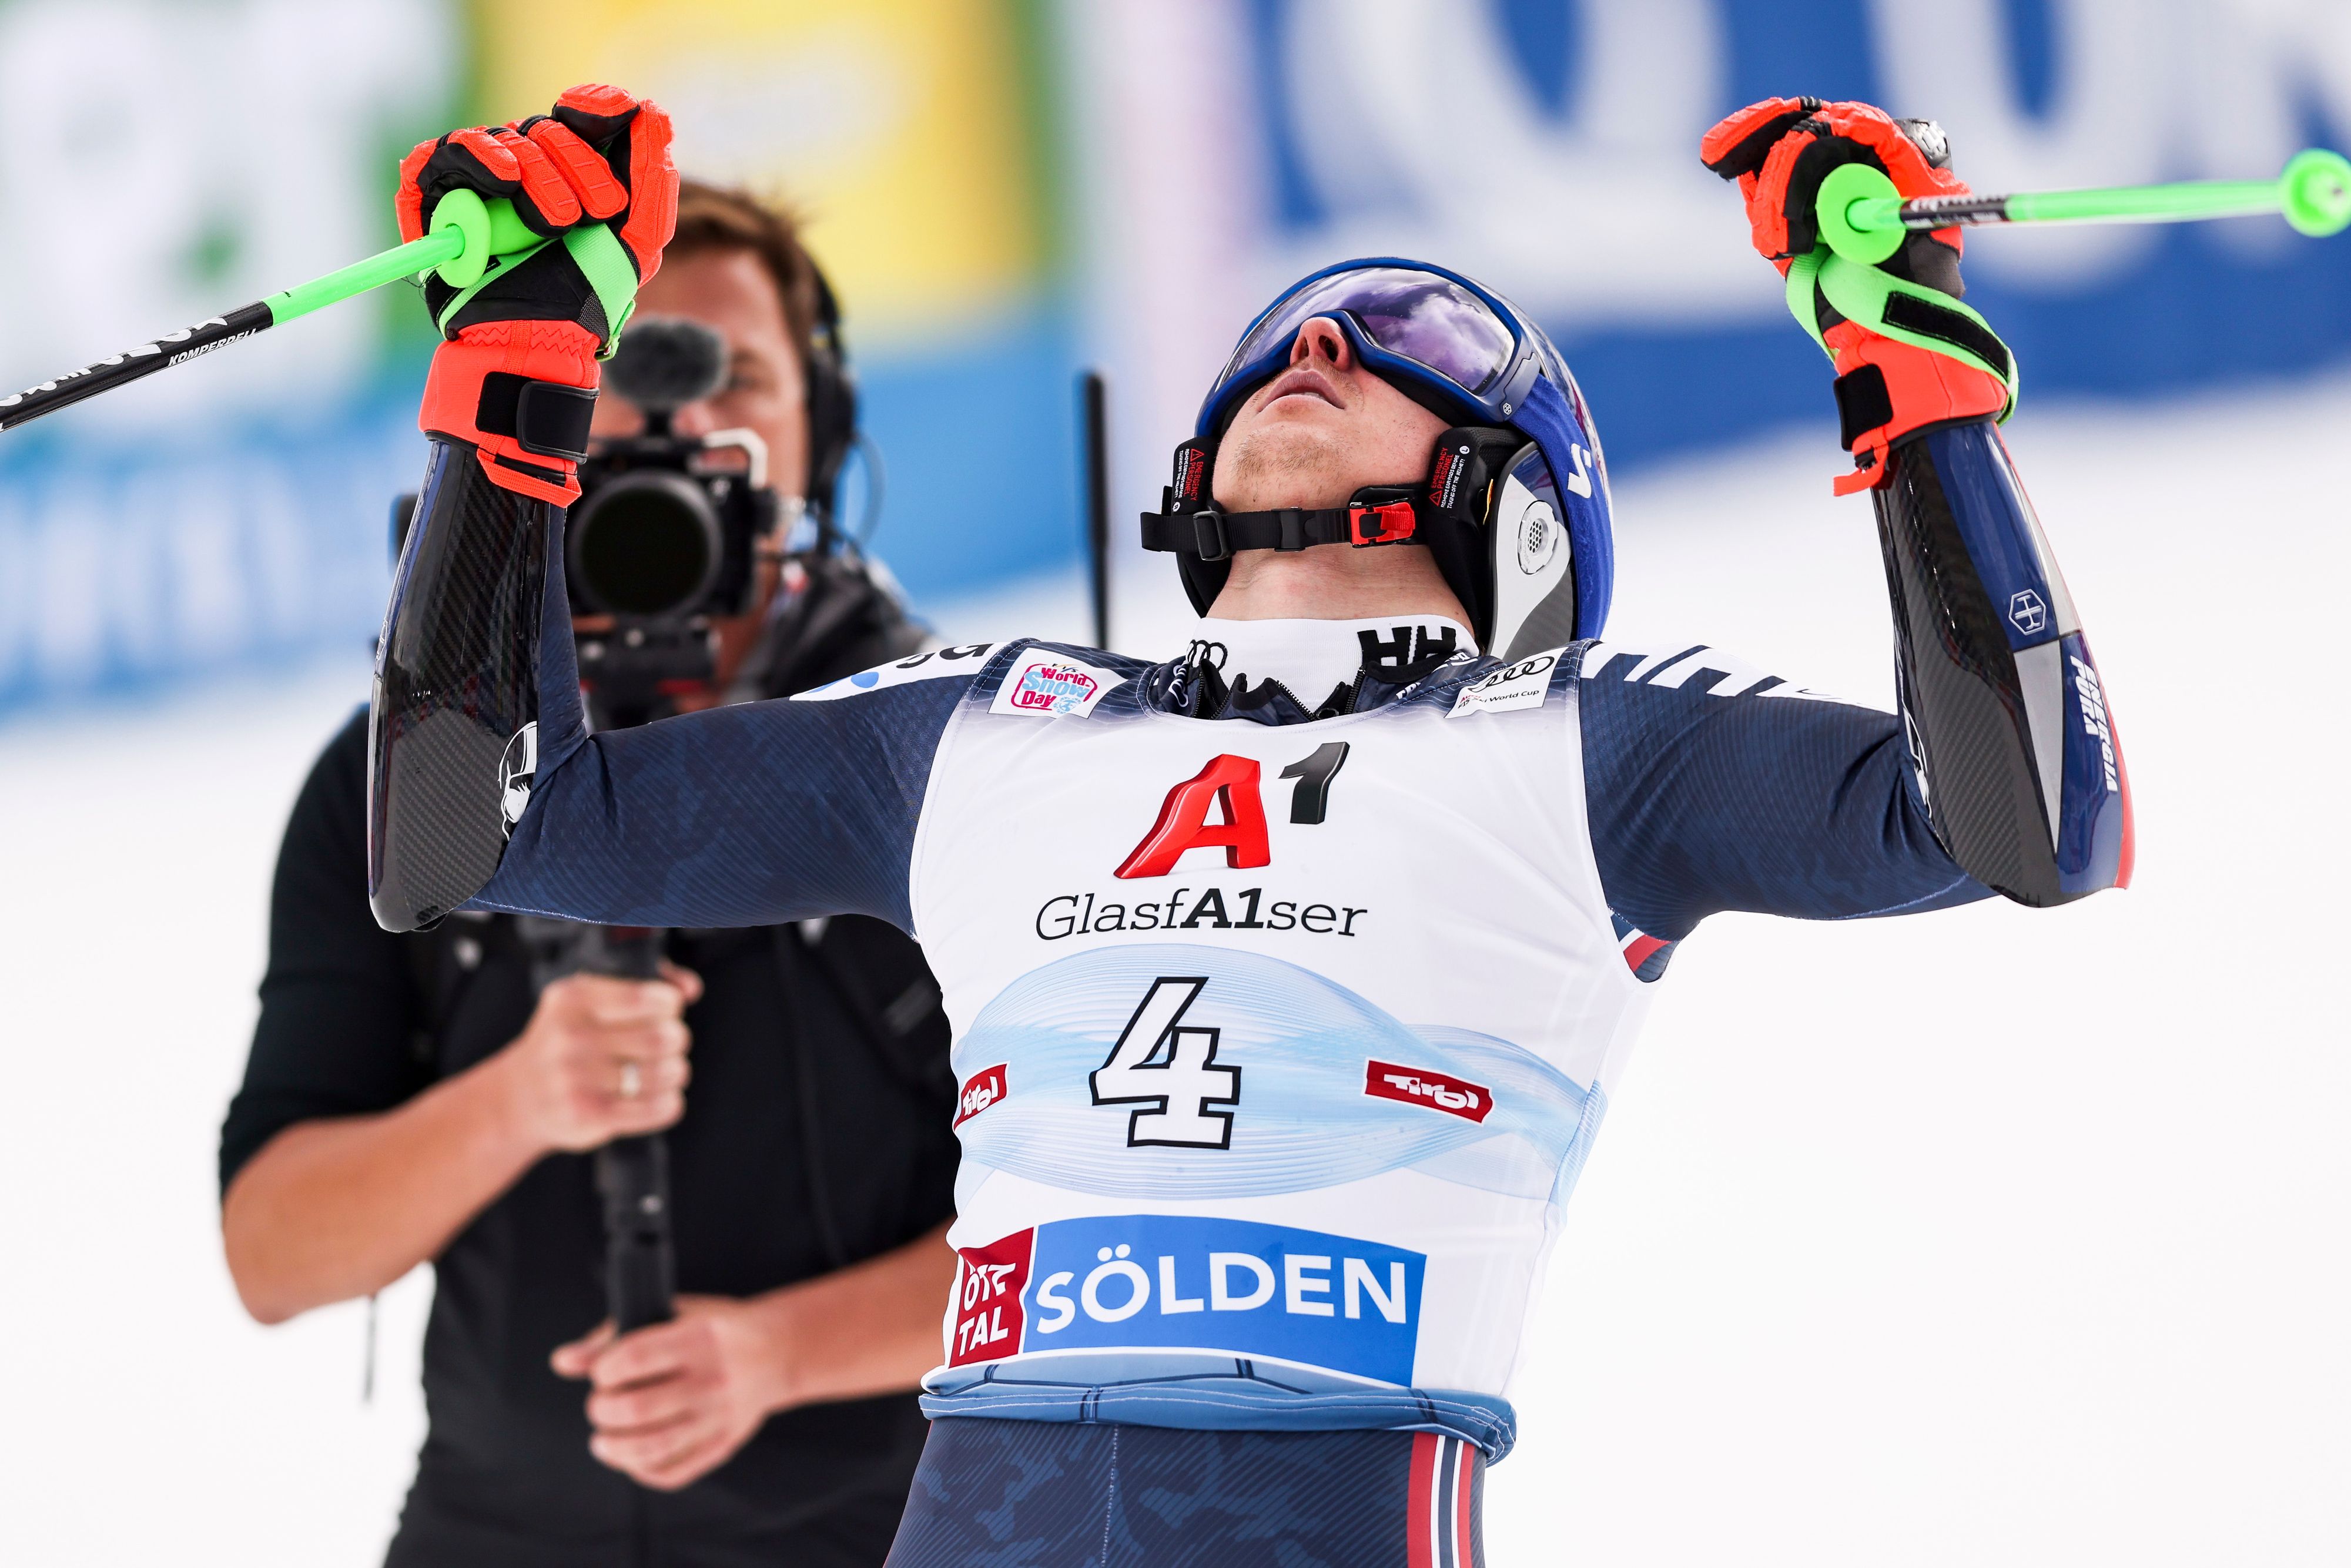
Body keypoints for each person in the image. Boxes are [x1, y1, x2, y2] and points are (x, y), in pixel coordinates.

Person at [365, 89, 2133, 1563]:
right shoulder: (981, 723)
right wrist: (517, 377)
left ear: (1523, 501)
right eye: (1274, 344)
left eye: (1419, 337)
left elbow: (2032, 821)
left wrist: (1914, 377)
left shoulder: (1591, 741)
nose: (1318, 342)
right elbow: (475, 835)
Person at [221, 116, 962, 1566]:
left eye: (733, 376)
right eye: (614, 367)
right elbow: (274, 1251)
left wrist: (780, 1353)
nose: (673, 423)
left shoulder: (949, 755)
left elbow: (1107, 1241)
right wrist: (513, 1100)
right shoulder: (409, 784)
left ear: (823, 424)